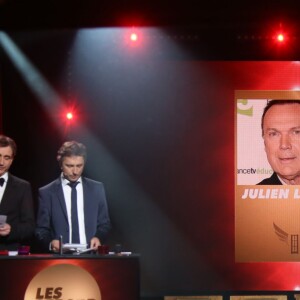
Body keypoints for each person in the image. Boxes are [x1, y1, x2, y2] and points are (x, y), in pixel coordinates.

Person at [35, 140, 111, 252]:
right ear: (61, 164)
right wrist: (51, 243)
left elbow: (105, 224)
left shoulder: (96, 188)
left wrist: (98, 237)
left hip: (90, 255)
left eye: (79, 166)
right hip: (60, 259)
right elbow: (41, 230)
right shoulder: (47, 192)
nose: (75, 171)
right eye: (69, 166)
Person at [0, 135, 35, 250]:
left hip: (8, 255)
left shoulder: (22, 187)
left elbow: (29, 227)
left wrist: (11, 229)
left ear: (12, 160)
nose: (1, 162)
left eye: (6, 157)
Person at [258, 99, 300, 185]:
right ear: (265, 143)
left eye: (297, 132)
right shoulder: (244, 198)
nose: (284, 145)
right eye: (274, 134)